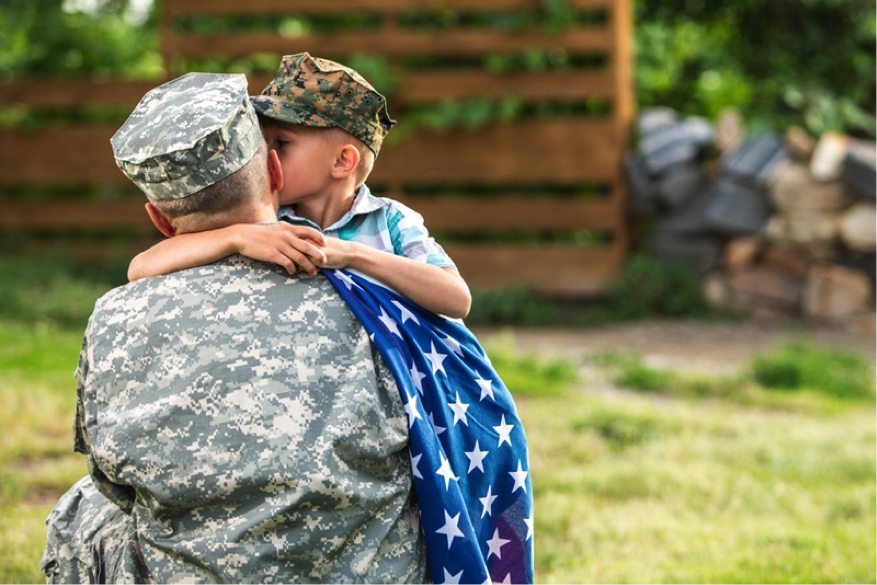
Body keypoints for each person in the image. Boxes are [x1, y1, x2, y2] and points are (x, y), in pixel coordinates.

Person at [41, 72, 429, 584]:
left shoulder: (115, 319)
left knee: (83, 512)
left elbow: (113, 484)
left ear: (159, 219)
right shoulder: (375, 297)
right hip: (363, 570)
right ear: (274, 169)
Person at [128, 53, 471, 319]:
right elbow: (140, 268)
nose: (266, 155)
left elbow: (456, 299)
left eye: (283, 143)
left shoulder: (389, 221)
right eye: (264, 141)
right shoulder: (266, 220)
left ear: (342, 162)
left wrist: (351, 255)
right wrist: (236, 237)